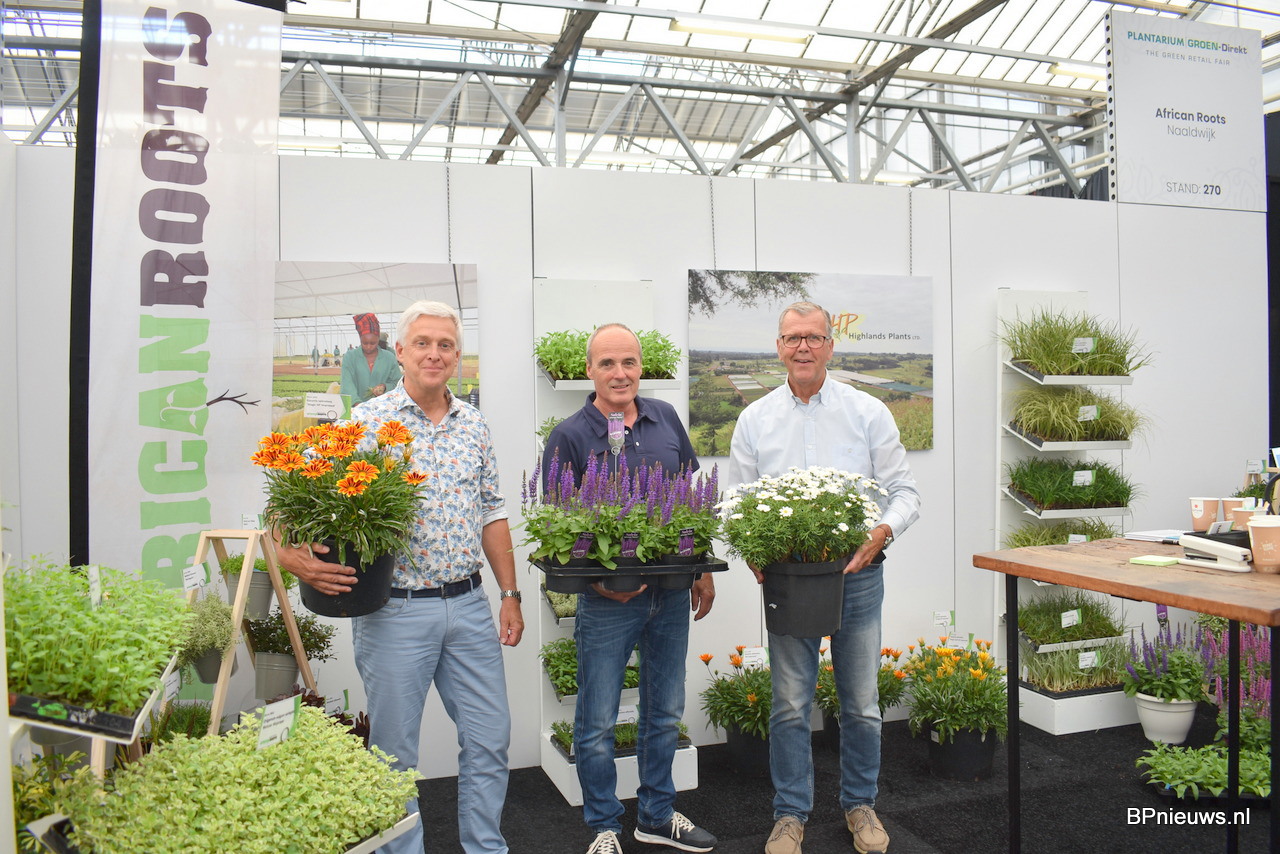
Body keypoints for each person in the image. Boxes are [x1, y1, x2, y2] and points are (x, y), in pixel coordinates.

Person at [276, 300, 524, 854]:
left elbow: (492, 510)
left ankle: (486, 847)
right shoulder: (368, 422)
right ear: (402, 352)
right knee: (394, 754)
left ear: (457, 356)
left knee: (489, 739)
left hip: (469, 606)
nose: (435, 354)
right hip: (395, 611)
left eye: (446, 345)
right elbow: (295, 483)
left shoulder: (474, 425)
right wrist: (286, 551)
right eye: (423, 344)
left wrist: (509, 594)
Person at [726, 301, 920, 854]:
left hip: (857, 576)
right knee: (789, 703)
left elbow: (905, 492)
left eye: (813, 337)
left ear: (831, 346)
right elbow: (736, 500)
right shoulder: (755, 418)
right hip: (788, 580)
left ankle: (860, 805)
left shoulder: (867, 411)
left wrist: (879, 534)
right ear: (779, 347)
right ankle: (790, 815)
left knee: (860, 703)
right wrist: (751, 550)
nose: (803, 347)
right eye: (793, 338)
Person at [542, 323, 718, 854]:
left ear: (641, 367)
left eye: (629, 363)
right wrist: (598, 579)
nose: (619, 374)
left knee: (663, 711)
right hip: (609, 602)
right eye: (607, 363)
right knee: (596, 719)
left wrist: (702, 568)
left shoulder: (665, 417)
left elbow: (688, 494)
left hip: (670, 592)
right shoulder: (570, 435)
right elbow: (558, 523)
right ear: (589, 370)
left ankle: (657, 816)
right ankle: (603, 825)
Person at [341, 313, 401, 403]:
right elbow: (347, 384)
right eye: (365, 343)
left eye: (373, 343)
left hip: (383, 406)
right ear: (360, 339)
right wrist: (358, 405)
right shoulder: (350, 357)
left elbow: (397, 383)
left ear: (378, 339)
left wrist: (385, 387)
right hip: (355, 407)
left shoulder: (389, 358)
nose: (369, 347)